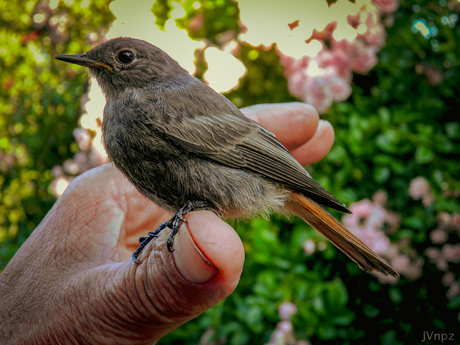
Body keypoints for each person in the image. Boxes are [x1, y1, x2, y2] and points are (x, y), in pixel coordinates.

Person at [0, 103, 335, 344]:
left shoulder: (159, 104)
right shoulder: (135, 114)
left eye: (125, 58)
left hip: (255, 174)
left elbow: (244, 152)